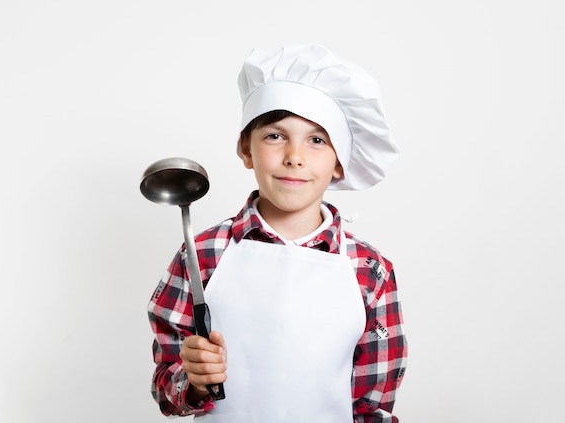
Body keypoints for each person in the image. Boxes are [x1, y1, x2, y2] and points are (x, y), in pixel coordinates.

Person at [147, 43, 408, 423]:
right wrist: (194, 381)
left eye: (317, 140)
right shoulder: (201, 254)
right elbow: (165, 388)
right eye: (274, 136)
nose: (294, 156)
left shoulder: (370, 270)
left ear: (340, 163)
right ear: (246, 149)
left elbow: (373, 406)